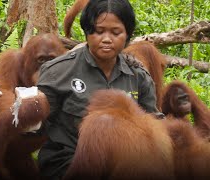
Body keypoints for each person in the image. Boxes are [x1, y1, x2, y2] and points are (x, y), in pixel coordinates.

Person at [36, 0, 163, 179]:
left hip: (121, 165)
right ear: (87, 32)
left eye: (115, 32)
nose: (106, 39)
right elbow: (35, 126)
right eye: (98, 31)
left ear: (127, 35)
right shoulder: (59, 72)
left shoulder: (138, 76)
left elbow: (154, 126)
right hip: (68, 163)